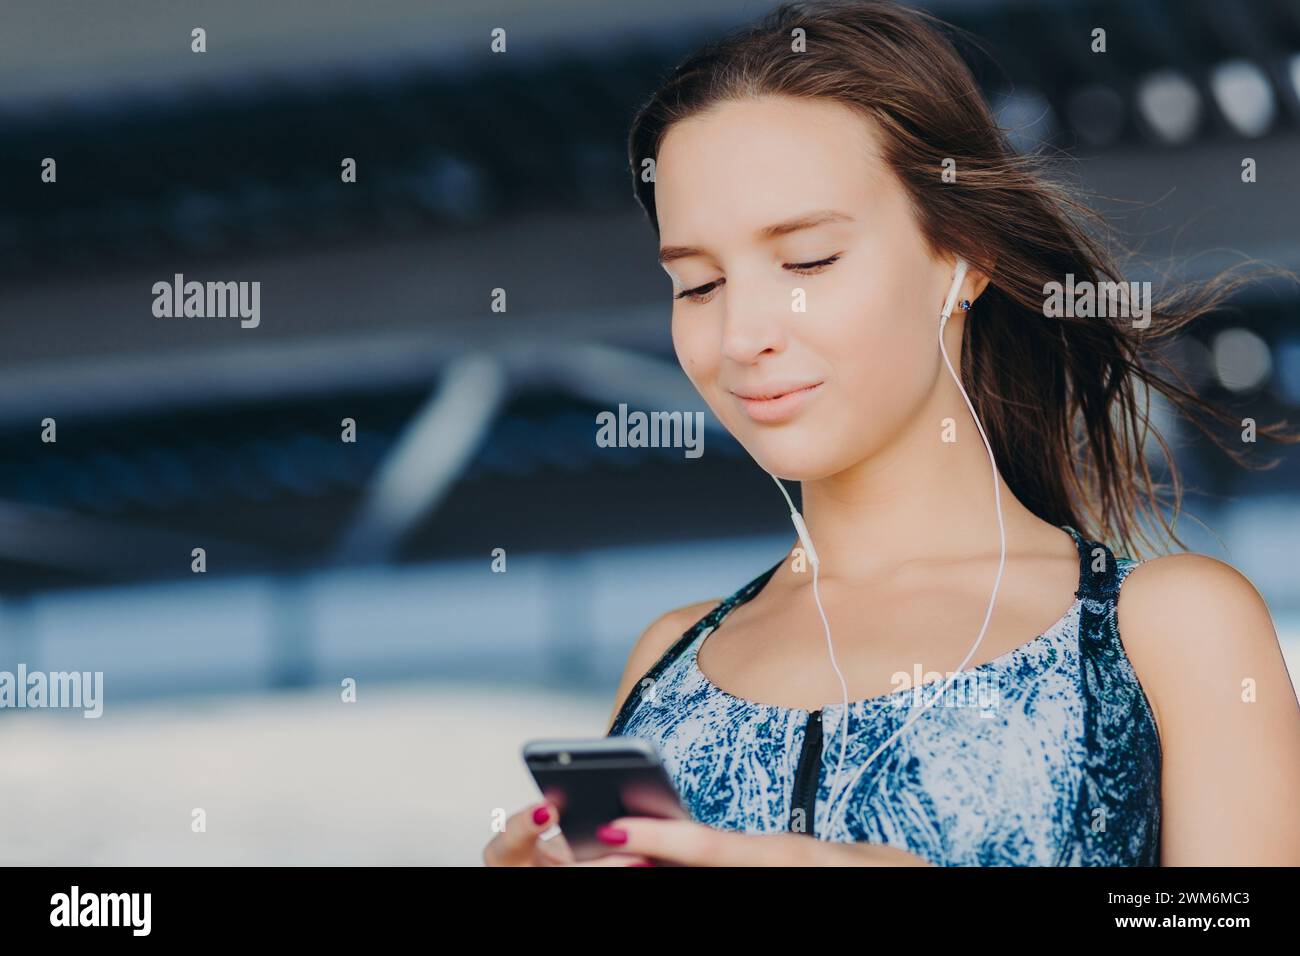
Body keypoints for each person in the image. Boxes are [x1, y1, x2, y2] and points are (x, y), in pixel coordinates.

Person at [483, 0, 1300, 867]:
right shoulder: (672, 661)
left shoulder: (1165, 628)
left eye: (808, 262)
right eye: (698, 284)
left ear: (962, 258)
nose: (741, 336)